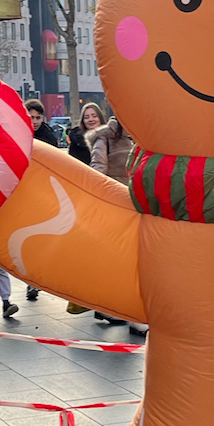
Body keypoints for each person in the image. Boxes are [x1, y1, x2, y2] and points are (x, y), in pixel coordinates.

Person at [88, 117, 146, 334]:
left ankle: (126, 312)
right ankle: (121, 311)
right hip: (116, 207)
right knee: (122, 260)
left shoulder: (145, 134)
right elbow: (97, 172)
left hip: (140, 206)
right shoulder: (106, 137)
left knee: (136, 260)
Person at [22, 100, 60, 300]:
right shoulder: (18, 132)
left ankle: (36, 280)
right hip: (23, 192)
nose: (34, 121)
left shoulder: (48, 137)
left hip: (43, 192)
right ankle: (31, 281)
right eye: (31, 117)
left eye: (38, 117)